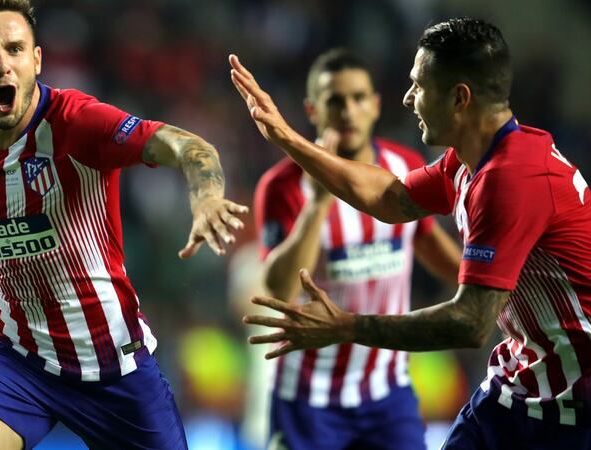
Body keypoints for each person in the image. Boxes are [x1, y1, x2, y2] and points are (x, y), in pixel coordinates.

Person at [0, 1, 249, 449]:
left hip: (113, 368)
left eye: (14, 49)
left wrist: (206, 197)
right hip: (15, 359)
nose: (2, 64)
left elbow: (187, 145)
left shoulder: (76, 123)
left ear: (36, 60)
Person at [231, 17, 591, 449]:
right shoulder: (467, 160)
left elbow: (470, 323)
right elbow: (390, 198)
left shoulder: (512, 180)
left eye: (419, 86)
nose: (407, 98)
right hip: (516, 387)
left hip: (575, 404)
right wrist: (286, 138)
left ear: (459, 99)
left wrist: (347, 326)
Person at [254, 48, 461, 450]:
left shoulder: (404, 167)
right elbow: (279, 290)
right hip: (308, 398)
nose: (348, 111)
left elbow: (426, 240)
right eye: (335, 100)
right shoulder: (281, 185)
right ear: (312, 110)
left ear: (376, 105)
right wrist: (317, 205)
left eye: (358, 97)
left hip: (387, 392)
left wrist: (496, 289)